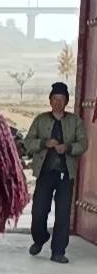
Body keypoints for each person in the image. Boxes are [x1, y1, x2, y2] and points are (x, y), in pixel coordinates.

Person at [24, 82, 89, 264]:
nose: (58, 103)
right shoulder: (41, 120)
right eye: (55, 99)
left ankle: (58, 251)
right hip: (45, 173)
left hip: (65, 175)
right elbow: (28, 142)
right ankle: (40, 238)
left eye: (61, 99)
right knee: (38, 211)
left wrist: (67, 147)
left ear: (66, 101)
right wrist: (44, 143)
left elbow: (83, 144)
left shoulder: (75, 121)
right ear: (50, 100)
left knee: (62, 214)